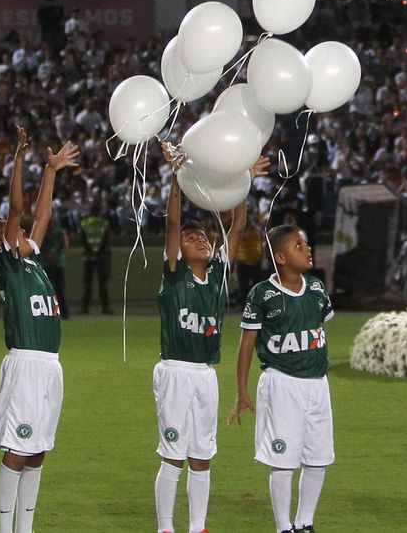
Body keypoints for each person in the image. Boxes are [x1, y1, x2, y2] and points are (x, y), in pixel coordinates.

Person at [152, 145, 263, 533]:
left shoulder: (217, 275)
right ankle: (166, 528)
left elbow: (236, 226)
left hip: (205, 373)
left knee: (202, 455)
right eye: (191, 237)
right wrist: (177, 179)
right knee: (173, 455)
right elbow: (171, 223)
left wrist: (243, 180)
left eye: (202, 236)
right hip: (176, 371)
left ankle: (198, 527)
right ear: (179, 252)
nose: (199, 239)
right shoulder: (174, 273)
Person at [0, 126, 78, 533]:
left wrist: (50, 170)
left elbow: (42, 215)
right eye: (8, 228)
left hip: (50, 365)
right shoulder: (10, 265)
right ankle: (6, 529)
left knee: (37, 451)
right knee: (18, 450)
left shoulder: (31, 260)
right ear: (1, 240)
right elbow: (19, 208)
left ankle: (25, 528)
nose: (17, 228)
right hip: (25, 364)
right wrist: (19, 159)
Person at [230, 224, 336, 533]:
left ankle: (305, 523)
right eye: (298, 246)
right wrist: (242, 391)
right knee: (283, 458)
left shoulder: (316, 288)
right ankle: (282, 526)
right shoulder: (262, 293)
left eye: (305, 244)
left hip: (317, 382)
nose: (307, 249)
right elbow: (246, 343)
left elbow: (318, 330)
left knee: (319, 457)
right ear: (280, 256)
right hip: (282, 382)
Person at [79, 193, 113, 314]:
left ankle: (85, 307)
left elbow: (82, 239)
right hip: (102, 256)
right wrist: (100, 252)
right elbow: (106, 240)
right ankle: (105, 307)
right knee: (102, 285)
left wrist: (90, 251)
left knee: (87, 284)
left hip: (88, 257)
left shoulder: (85, 223)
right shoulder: (104, 223)